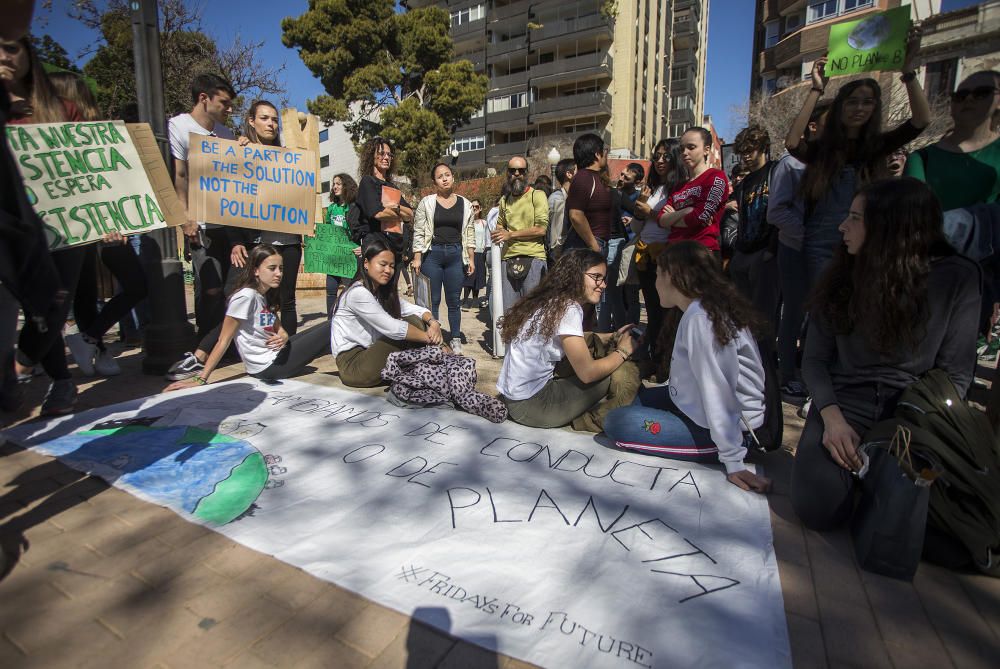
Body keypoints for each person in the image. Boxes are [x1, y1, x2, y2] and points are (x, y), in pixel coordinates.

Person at [790, 178, 980, 530]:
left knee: (915, 516)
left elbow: (956, 376)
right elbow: (814, 361)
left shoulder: (957, 277)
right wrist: (831, 420)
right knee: (818, 506)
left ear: (892, 227)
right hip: (843, 404)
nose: (842, 226)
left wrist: (906, 440)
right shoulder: (841, 273)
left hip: (912, 412)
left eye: (856, 218)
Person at [603, 241, 772, 493]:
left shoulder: (703, 320)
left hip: (727, 429)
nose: (654, 281)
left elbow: (718, 389)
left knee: (618, 422)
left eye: (658, 274)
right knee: (628, 397)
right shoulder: (698, 309)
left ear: (673, 277)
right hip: (694, 407)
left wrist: (733, 460)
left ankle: (717, 448)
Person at [784, 49, 929, 285]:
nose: (859, 108)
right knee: (822, 307)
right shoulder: (824, 150)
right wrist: (817, 89)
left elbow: (921, 121)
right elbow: (792, 142)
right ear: (840, 108)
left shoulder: (879, 145)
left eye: (867, 102)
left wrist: (908, 74)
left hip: (867, 238)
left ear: (875, 108)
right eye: (852, 102)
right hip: (821, 240)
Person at [4, 35, 85, 415]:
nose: (3, 57)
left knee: (54, 305)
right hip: (12, 230)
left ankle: (21, 372)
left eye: (10, 47)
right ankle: (39, 382)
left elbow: (95, 171)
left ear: (28, 55)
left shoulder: (65, 110)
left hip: (69, 227)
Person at [49, 72, 147, 378]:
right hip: (72, 228)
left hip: (109, 226)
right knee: (82, 292)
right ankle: (97, 351)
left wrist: (117, 217)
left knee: (136, 284)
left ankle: (90, 338)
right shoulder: (48, 140)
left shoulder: (99, 135)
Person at [905, 70, 1000, 355]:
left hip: (980, 282)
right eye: (960, 95)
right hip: (925, 273)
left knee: (958, 360)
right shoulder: (923, 158)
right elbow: (913, 218)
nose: (968, 101)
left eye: (981, 93)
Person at [496, 249, 640, 432]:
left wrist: (610, 336)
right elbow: (587, 373)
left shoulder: (548, 301)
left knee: (594, 350)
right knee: (620, 370)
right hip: (534, 407)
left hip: (514, 400)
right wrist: (623, 351)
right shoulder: (569, 308)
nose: (602, 285)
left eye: (603, 279)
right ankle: (595, 419)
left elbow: (565, 338)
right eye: (596, 277)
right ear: (575, 275)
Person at [165, 245, 330, 391]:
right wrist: (201, 379)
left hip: (276, 355)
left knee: (327, 325)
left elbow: (281, 330)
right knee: (333, 324)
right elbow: (223, 340)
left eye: (281, 268)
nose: (278, 273)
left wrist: (283, 337)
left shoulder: (263, 294)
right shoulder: (245, 297)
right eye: (272, 268)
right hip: (269, 367)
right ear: (255, 270)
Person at [767, 100, 832, 398]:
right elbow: (776, 212)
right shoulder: (790, 164)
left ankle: (817, 373)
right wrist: (812, 236)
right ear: (814, 126)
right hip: (795, 250)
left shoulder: (837, 163)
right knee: (793, 313)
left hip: (834, 253)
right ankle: (788, 373)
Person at [167, 74, 236, 340]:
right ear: (203, 99)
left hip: (227, 225)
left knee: (229, 290)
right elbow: (179, 176)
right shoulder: (177, 127)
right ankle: (206, 342)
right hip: (199, 225)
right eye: (224, 103)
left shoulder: (227, 134)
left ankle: (225, 341)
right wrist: (186, 218)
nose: (229, 110)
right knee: (209, 287)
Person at [228, 100, 303, 335]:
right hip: (257, 241)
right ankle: (262, 345)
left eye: (274, 119)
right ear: (251, 121)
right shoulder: (240, 152)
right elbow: (231, 200)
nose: (271, 124)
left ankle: (287, 348)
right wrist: (242, 151)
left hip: (289, 241)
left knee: (287, 299)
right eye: (264, 118)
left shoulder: (288, 158)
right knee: (255, 297)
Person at [331, 237, 443, 388]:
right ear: (366, 263)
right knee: (409, 326)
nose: (388, 270)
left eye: (391, 266)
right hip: (353, 366)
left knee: (414, 319)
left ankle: (435, 363)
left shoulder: (380, 293)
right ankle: (440, 357)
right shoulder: (358, 293)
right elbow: (393, 328)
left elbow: (414, 310)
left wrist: (433, 323)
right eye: (382, 264)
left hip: (371, 353)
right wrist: (431, 340)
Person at [411, 163, 476, 353]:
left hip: (456, 255)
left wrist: (471, 258)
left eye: (447, 175)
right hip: (433, 254)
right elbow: (419, 231)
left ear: (453, 178)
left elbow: (469, 232)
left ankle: (455, 337)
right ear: (435, 182)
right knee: (433, 300)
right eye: (440, 176)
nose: (445, 178)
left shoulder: (465, 203)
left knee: (454, 300)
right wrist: (417, 257)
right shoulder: (427, 202)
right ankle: (434, 338)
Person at [631, 139, 687, 355]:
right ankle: (654, 355)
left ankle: (665, 360)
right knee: (653, 311)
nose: (660, 161)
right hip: (644, 255)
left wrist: (650, 213)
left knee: (667, 312)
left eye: (666, 156)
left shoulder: (680, 188)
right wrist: (640, 207)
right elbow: (637, 227)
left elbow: (674, 222)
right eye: (657, 157)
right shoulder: (651, 189)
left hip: (665, 256)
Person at [566, 133, 626, 332]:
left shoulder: (595, 178)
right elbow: (576, 214)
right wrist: (593, 244)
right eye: (605, 152)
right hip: (586, 248)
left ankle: (586, 346)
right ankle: (576, 351)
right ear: (597, 154)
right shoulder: (583, 178)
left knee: (590, 303)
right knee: (579, 303)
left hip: (596, 245)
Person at [728, 126, 779, 328]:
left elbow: (782, 213)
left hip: (765, 252)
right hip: (743, 251)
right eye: (742, 153)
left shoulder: (776, 172)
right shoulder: (745, 181)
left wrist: (772, 250)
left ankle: (765, 359)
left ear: (763, 147)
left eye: (750, 151)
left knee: (763, 318)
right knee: (742, 314)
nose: (746, 157)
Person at [656, 127, 729, 256]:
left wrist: (673, 218)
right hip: (673, 252)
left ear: (707, 150)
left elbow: (699, 218)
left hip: (700, 252)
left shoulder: (715, 177)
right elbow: (661, 220)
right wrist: (685, 211)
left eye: (691, 147)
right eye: (682, 148)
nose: (685, 152)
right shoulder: (679, 185)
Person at [492, 156, 549, 314]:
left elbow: (540, 229)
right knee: (510, 313)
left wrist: (510, 235)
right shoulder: (505, 200)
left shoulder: (537, 195)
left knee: (534, 312)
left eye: (521, 171)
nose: (517, 174)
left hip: (533, 258)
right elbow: (500, 225)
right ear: (507, 174)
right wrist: (497, 232)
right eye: (512, 171)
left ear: (527, 173)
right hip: (508, 260)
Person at [354, 137, 414, 263]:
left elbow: (409, 215)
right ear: (372, 156)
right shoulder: (368, 182)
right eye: (381, 153)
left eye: (389, 154)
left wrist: (396, 207)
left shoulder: (392, 187)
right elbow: (378, 213)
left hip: (395, 249)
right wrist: (399, 214)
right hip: (376, 247)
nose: (386, 157)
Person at [321, 173, 361, 317]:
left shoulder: (355, 207)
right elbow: (326, 231)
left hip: (350, 257)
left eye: (338, 184)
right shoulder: (331, 208)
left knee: (352, 292)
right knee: (331, 290)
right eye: (334, 184)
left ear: (347, 186)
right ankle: (330, 323)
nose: (334, 187)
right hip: (333, 257)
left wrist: (363, 247)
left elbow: (362, 231)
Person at [546, 158, 577, 264]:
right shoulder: (558, 199)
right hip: (561, 258)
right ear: (569, 174)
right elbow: (558, 238)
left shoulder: (569, 197)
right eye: (578, 170)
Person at [461, 198, 489, 308]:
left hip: (480, 253)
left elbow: (487, 238)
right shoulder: (466, 222)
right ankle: (466, 300)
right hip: (469, 252)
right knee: (469, 276)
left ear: (480, 208)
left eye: (476, 207)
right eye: (472, 206)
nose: (474, 208)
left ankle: (476, 300)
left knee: (478, 277)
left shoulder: (484, 223)